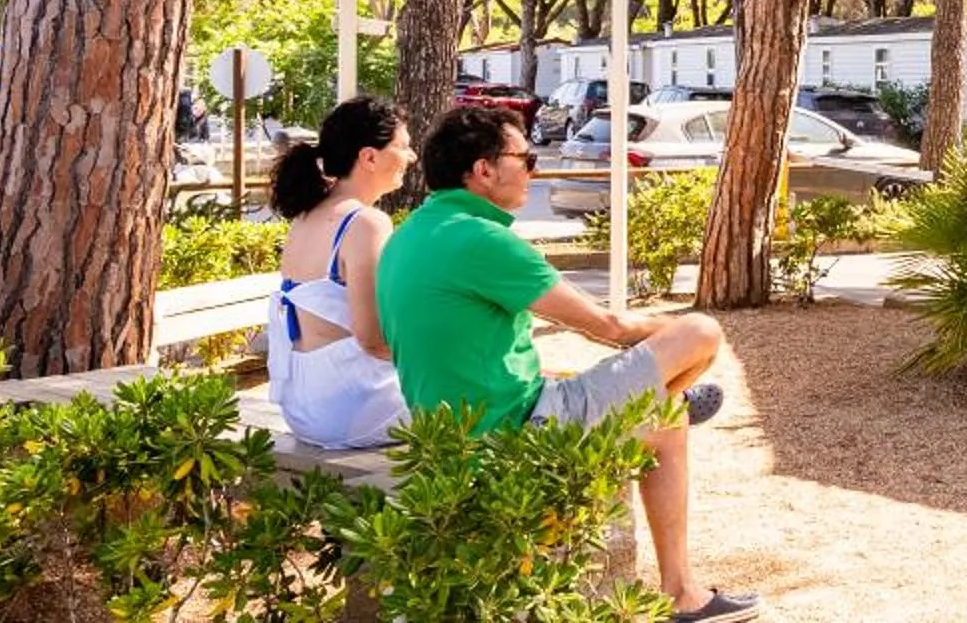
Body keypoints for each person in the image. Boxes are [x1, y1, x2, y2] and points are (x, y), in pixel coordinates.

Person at [377, 104, 756, 623]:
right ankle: (680, 589)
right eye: (526, 158)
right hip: (518, 434)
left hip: (445, 435)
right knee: (700, 333)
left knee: (663, 423)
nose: (535, 167)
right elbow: (609, 328)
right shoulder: (483, 239)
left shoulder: (409, 234)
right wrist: (667, 344)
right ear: (483, 171)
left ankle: (683, 581)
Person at [263, 95, 409, 449]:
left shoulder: (306, 215)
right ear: (369, 157)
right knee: (480, 399)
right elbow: (372, 339)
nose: (412, 157)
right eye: (403, 147)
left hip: (301, 407)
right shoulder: (366, 223)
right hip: (352, 408)